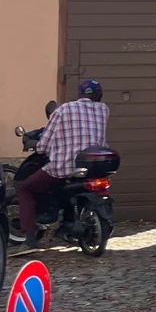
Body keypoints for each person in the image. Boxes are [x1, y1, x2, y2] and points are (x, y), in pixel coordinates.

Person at [15, 80, 109, 251]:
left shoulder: (63, 110)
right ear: (99, 95)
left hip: (64, 166)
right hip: (94, 166)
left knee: (25, 188)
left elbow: (44, 144)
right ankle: (67, 223)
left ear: (80, 94)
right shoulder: (104, 110)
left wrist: (38, 145)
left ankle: (30, 238)